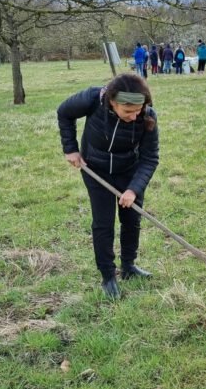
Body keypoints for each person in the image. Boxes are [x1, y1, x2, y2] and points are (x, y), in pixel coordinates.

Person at [57, 73, 159, 299]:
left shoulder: (148, 116)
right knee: (103, 223)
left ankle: (129, 267)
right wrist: (70, 148)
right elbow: (64, 112)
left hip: (129, 171)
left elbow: (150, 158)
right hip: (96, 170)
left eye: (138, 111)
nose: (134, 117)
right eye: (128, 112)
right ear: (113, 102)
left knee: (131, 219)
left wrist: (133, 189)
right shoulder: (93, 99)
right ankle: (108, 275)